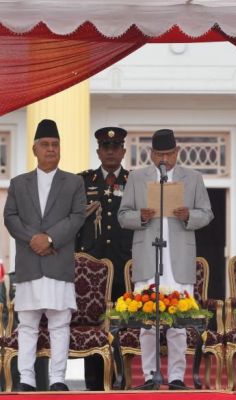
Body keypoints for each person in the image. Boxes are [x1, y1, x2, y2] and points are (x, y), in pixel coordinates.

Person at [118, 129, 213, 389]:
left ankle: (175, 377)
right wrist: (141, 216)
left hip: (179, 257)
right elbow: (122, 215)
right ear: (151, 154)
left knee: (178, 323)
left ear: (176, 152)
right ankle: (150, 376)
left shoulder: (192, 178)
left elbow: (207, 214)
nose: (163, 158)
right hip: (149, 256)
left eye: (168, 154)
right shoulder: (137, 178)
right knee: (147, 322)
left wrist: (188, 216)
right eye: (158, 154)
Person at [3, 119, 86, 392]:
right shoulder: (18, 183)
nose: (51, 149)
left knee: (59, 323)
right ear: (34, 149)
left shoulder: (74, 182)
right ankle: (26, 379)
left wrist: (49, 238)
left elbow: (77, 217)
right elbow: (10, 217)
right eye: (46, 145)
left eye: (55, 145)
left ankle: (57, 379)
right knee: (27, 323)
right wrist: (34, 239)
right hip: (29, 261)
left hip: (57, 260)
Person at [75, 126, 133, 391]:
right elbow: (75, 225)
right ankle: (94, 386)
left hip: (124, 266)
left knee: (121, 327)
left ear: (122, 151)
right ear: (98, 151)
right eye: (105, 148)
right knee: (93, 324)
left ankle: (120, 383)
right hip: (92, 269)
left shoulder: (134, 182)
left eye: (116, 147)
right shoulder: (83, 181)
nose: (110, 152)